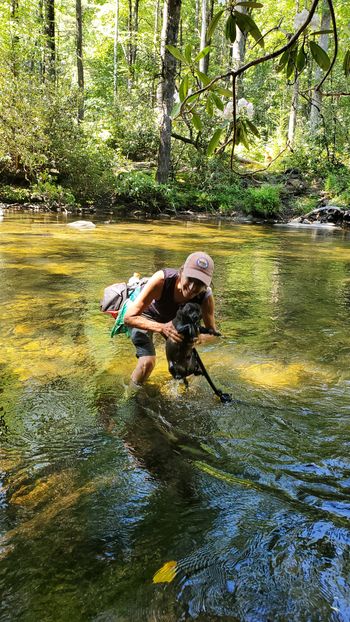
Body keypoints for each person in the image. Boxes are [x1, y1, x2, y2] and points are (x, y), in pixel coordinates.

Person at [123, 251, 219, 387]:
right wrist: (162, 328)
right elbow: (128, 318)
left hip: (176, 325)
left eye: (199, 283)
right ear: (181, 272)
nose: (192, 288)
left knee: (188, 371)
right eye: (190, 279)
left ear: (206, 285)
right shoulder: (162, 280)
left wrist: (199, 338)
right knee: (147, 363)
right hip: (147, 316)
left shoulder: (205, 297)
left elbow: (212, 333)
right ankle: (132, 397)